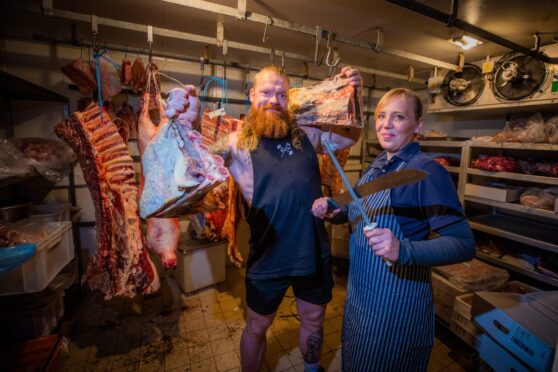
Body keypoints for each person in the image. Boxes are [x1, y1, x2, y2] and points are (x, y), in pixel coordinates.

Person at [166, 65, 363, 372]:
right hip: (268, 255)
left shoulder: (308, 134)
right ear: (252, 95)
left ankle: (312, 369)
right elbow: (195, 164)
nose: (274, 100)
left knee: (313, 318)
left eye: (281, 94)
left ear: (289, 99)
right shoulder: (236, 143)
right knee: (257, 326)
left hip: (312, 250)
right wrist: (185, 123)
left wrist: (355, 96)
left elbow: (349, 137)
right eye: (267, 92)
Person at [311, 88, 475, 371]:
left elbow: (463, 243)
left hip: (396, 306)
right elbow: (356, 212)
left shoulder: (426, 172)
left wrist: (403, 249)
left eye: (398, 117)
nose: (386, 124)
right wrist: (335, 211)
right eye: (382, 116)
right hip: (361, 297)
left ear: (418, 125)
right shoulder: (376, 166)